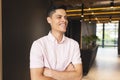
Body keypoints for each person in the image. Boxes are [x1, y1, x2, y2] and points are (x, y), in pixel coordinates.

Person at [30, 4, 83, 80]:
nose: (64, 20)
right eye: (59, 17)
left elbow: (78, 76)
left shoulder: (73, 44)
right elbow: (36, 78)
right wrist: (67, 74)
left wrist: (51, 73)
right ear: (49, 20)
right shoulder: (38, 45)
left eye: (65, 17)